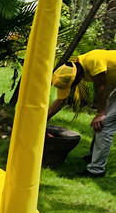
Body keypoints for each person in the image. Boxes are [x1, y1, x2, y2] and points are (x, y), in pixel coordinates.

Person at [47, 50, 116, 178]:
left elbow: (102, 88)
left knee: (104, 125)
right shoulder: (73, 69)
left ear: (78, 78)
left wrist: (101, 113)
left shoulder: (93, 61)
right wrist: (45, 118)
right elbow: (61, 100)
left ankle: (96, 170)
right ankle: (92, 156)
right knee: (99, 123)